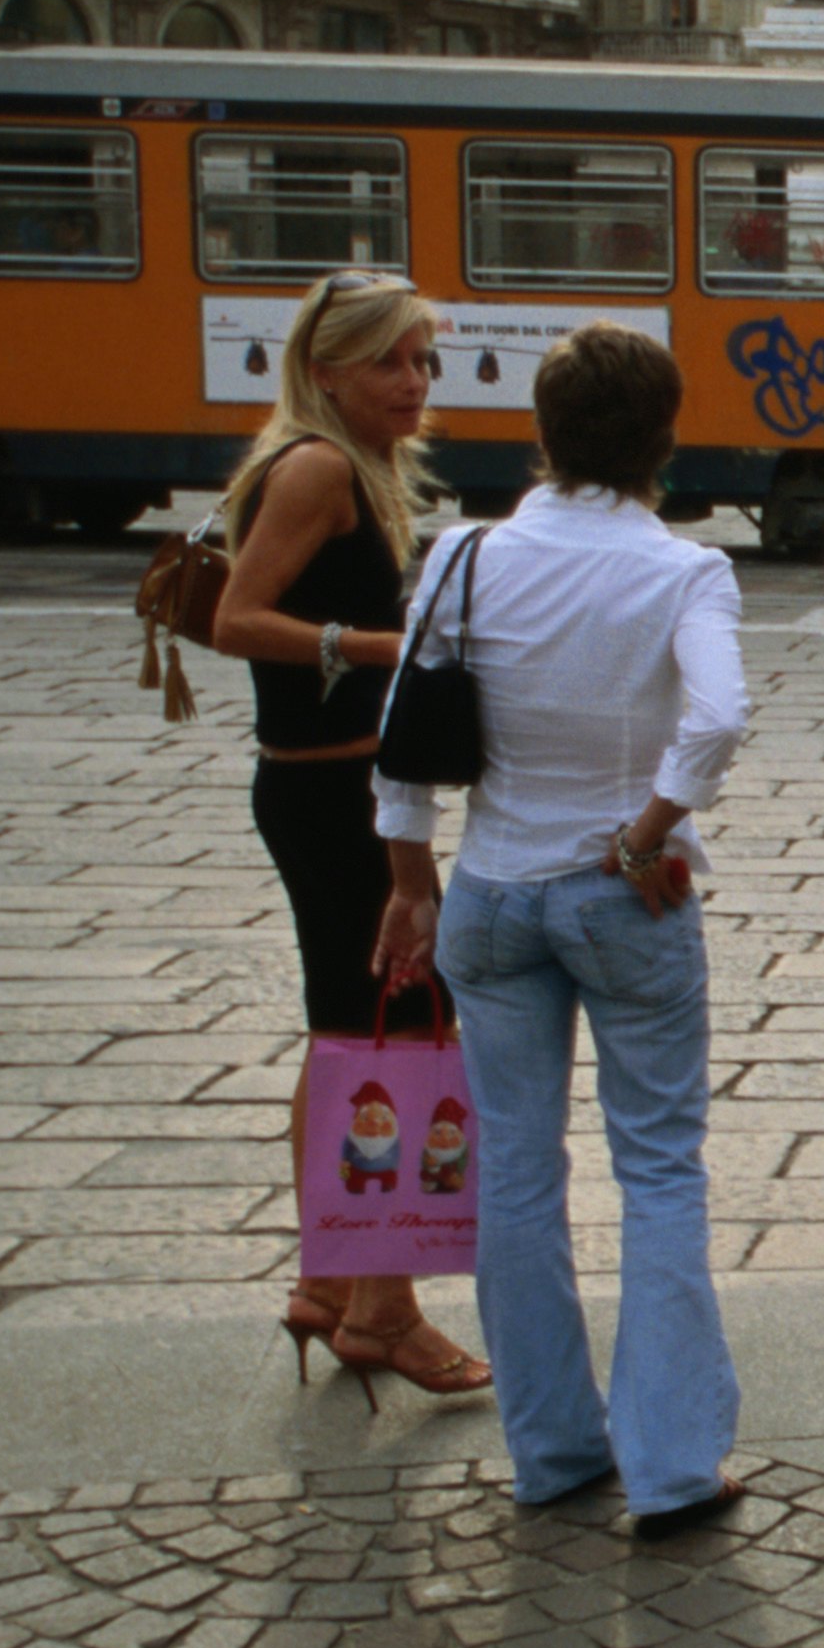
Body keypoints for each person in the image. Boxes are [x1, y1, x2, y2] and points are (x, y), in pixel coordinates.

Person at [374, 326, 749, 1540]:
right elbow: (720, 718)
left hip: (489, 892)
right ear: (664, 439)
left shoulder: (464, 555)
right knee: (656, 1164)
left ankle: (551, 1449)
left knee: (518, 1177)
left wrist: (411, 879)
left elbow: (404, 737)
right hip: (619, 896)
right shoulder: (685, 572)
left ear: (540, 428)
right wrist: (644, 835)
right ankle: (675, 1461)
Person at [211, 271, 491, 1408]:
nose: (415, 382)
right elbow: (237, 617)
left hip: (321, 789)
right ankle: (386, 1308)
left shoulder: (327, 460)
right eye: (391, 361)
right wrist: (390, 646)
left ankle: (328, 1279)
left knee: (346, 1027)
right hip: (333, 798)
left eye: (423, 359)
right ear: (325, 368)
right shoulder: (320, 466)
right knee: (404, 1031)